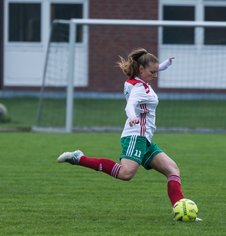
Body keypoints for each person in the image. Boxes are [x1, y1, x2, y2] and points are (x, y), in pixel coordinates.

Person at [57, 48, 201, 220]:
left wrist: (164, 65)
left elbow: (149, 72)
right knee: (126, 174)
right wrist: (133, 117)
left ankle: (181, 210)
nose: (155, 75)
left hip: (145, 138)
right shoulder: (139, 89)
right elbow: (130, 104)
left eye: (156, 71)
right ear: (141, 69)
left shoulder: (132, 81)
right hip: (135, 136)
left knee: (172, 169)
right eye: (152, 72)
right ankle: (79, 158)